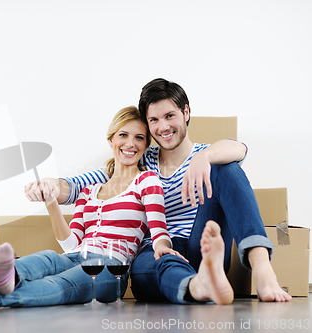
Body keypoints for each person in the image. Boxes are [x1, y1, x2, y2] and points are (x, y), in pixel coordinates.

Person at [25, 78, 291, 304]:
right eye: (154, 120)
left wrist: (205, 157)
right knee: (144, 266)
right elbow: (74, 187)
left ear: (186, 112)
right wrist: (48, 184)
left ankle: (262, 270)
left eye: (170, 116)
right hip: (157, 251)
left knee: (227, 169)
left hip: (203, 244)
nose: (163, 126)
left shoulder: (206, 154)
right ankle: (197, 286)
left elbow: (239, 148)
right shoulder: (139, 160)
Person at [0, 106, 183, 309]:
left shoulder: (147, 181)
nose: (131, 143)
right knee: (49, 258)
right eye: (124, 135)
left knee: (61, 284)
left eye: (139, 138)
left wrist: (162, 248)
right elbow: (71, 244)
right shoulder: (89, 191)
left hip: (112, 268)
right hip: (79, 255)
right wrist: (51, 203)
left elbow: (159, 229)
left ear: (145, 145)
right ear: (111, 140)